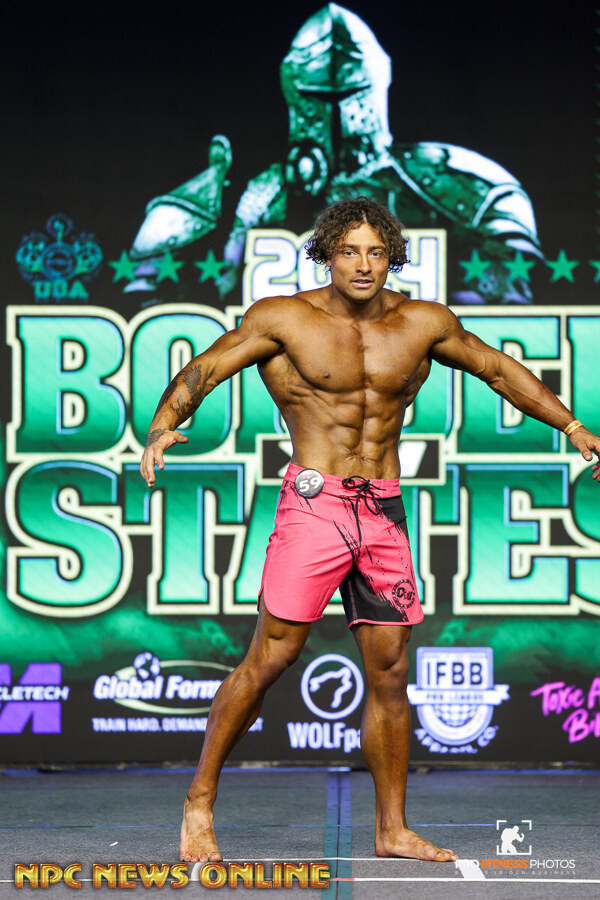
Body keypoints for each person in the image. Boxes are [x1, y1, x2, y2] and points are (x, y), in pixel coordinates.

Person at [139, 197, 600, 865]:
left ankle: (392, 829)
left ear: (392, 258)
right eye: (349, 251)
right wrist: (161, 427)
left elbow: (498, 369)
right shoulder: (284, 319)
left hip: (382, 512)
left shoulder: (423, 323)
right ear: (327, 255)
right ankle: (199, 799)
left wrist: (573, 427)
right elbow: (203, 369)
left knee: (390, 670)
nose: (363, 264)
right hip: (314, 506)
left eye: (376, 252)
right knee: (270, 658)